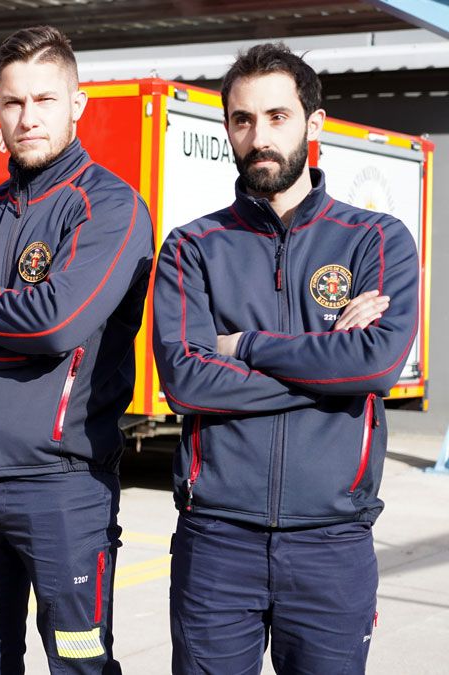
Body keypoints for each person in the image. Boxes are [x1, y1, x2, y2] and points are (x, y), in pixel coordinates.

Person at [152, 43, 419, 674]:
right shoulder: (193, 247)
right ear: (229, 132)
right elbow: (186, 382)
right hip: (217, 541)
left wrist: (243, 346)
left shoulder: (376, 240)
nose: (259, 136)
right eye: (243, 121)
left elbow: (377, 366)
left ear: (314, 123)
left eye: (277, 117)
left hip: (333, 545)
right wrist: (333, 372)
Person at [0, 26, 154, 674]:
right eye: (14, 102)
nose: (28, 117)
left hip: (63, 488)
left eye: (44, 100)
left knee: (78, 663)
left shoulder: (110, 207)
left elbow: (55, 323)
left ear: (78, 103)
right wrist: (13, 329)